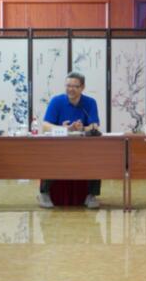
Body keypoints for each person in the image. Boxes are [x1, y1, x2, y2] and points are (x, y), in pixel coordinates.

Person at [39, 72, 101, 209]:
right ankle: (44, 193)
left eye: (75, 86)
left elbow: (94, 126)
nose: (70, 89)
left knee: (96, 156)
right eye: (68, 86)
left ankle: (92, 195)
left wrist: (82, 128)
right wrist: (64, 128)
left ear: (82, 87)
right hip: (59, 146)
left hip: (82, 147)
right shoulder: (56, 101)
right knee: (49, 155)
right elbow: (45, 125)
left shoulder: (90, 102)